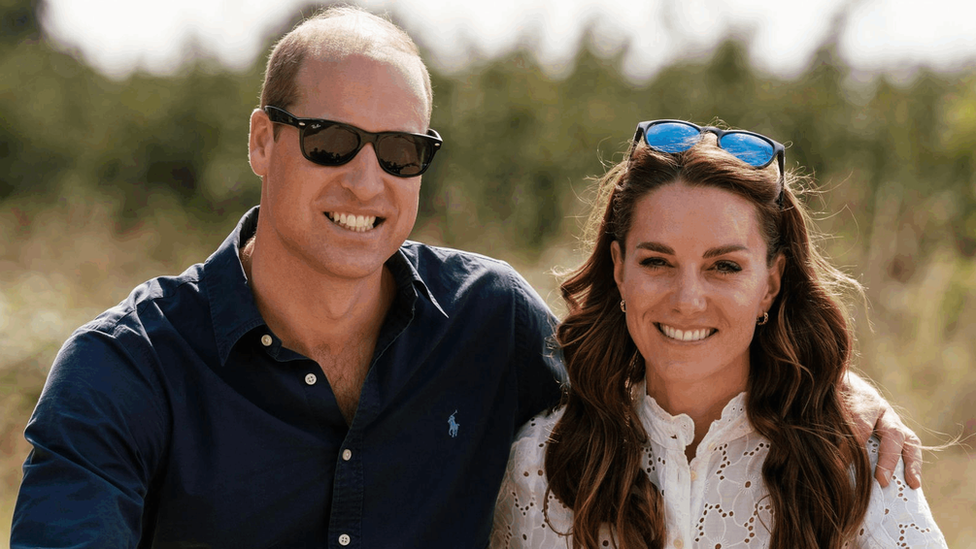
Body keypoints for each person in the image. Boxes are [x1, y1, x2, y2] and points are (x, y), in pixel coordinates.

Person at [12, 7, 918, 548]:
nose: (366, 180)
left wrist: (835, 390)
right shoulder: (121, 374)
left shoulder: (487, 323)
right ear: (261, 140)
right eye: (329, 141)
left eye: (402, 151)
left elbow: (665, 356)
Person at [491, 120, 947, 549]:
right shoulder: (542, 460)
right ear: (618, 268)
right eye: (656, 262)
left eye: (724, 266)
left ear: (771, 283)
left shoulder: (855, 461)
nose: (687, 299)